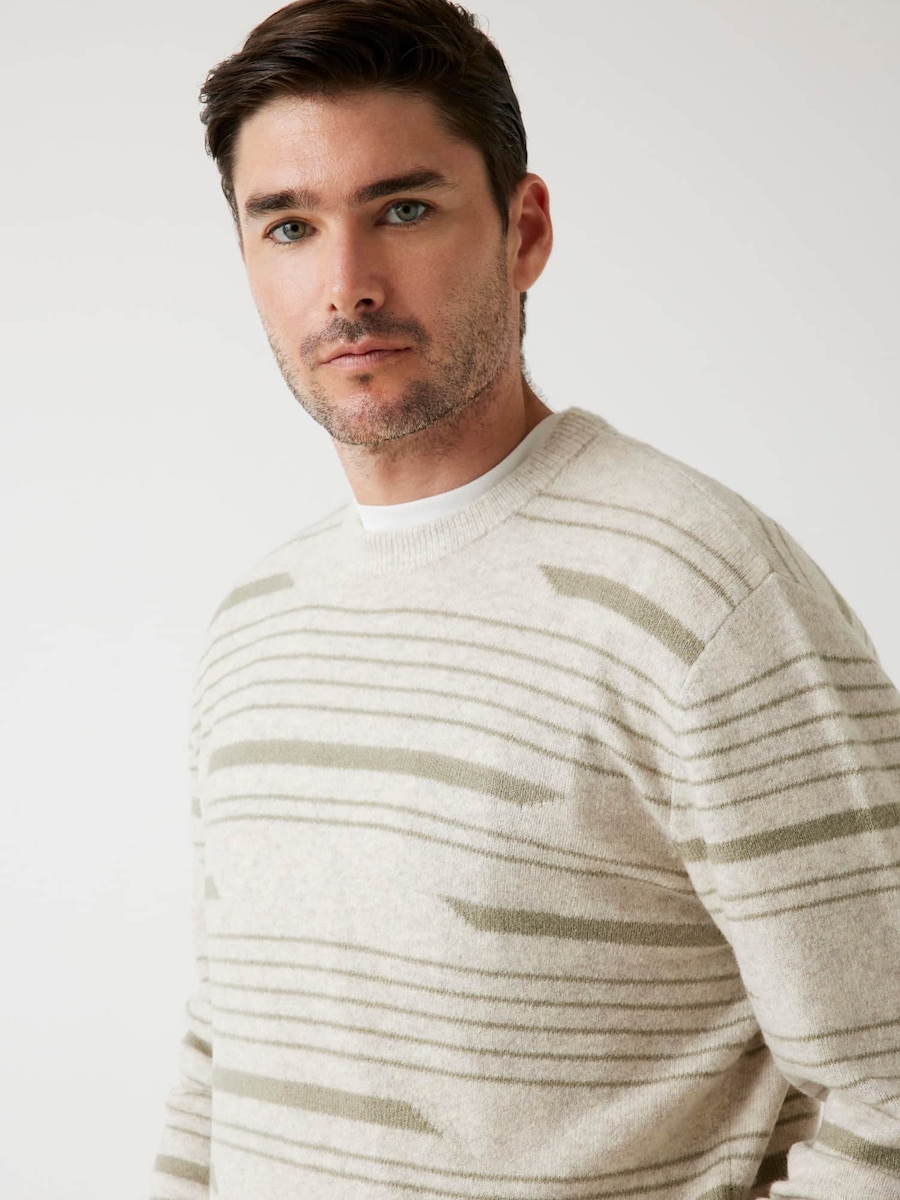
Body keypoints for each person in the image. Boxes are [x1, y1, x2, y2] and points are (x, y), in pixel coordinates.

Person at [151, 1, 900, 1196]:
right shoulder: (260, 622)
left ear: (525, 229)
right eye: (290, 226)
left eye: (404, 210)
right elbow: (224, 1058)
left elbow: (889, 1086)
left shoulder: (700, 594)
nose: (346, 285)